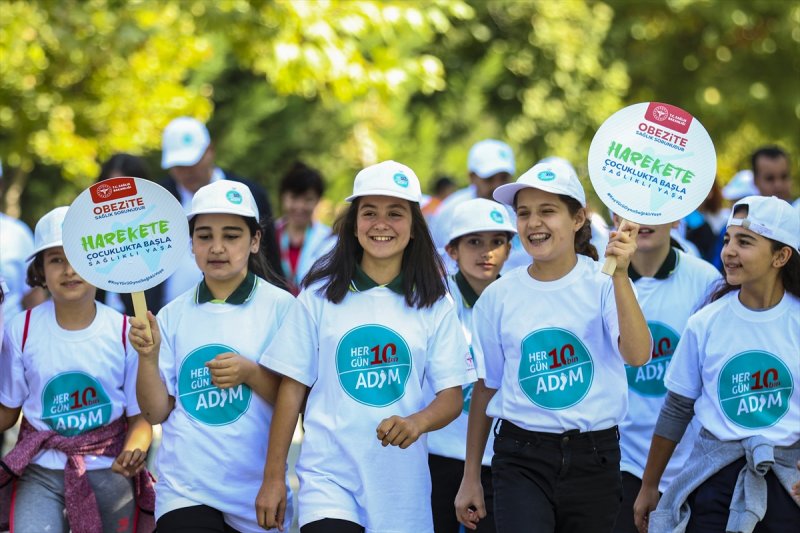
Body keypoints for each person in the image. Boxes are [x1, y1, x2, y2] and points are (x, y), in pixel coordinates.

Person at [256, 160, 476, 533]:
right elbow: (292, 389)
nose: (381, 224)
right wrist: (274, 478)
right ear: (354, 224)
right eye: (369, 212)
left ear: (413, 227)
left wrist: (417, 422)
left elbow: (452, 396)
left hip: (401, 488)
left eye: (395, 213)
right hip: (327, 478)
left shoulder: (435, 302)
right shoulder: (318, 297)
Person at [454, 159, 652, 533]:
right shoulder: (498, 297)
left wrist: (622, 275)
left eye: (548, 211)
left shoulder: (604, 283)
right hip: (520, 457)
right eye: (524, 213)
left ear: (578, 219)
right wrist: (471, 477)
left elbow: (638, 355)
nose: (534, 223)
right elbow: (487, 387)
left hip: (595, 458)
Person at [127, 180, 294, 533]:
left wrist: (251, 374)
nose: (217, 248)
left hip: (256, 492)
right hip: (185, 490)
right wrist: (148, 357)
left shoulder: (283, 308)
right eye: (204, 236)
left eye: (232, 236)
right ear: (191, 243)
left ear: (255, 240)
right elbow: (156, 412)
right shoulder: (171, 315)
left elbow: (297, 403)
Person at [633, 195, 800, 533]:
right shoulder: (706, 321)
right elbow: (677, 408)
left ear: (781, 256)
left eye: (745, 241)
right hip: (713, 483)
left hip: (787, 483)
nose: (729, 251)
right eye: (727, 240)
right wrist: (649, 485)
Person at [0, 206, 154, 533]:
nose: (69, 270)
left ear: (102, 262)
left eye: (80, 256)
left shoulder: (126, 332)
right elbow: (7, 413)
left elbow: (141, 417)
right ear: (39, 271)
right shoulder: (21, 330)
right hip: (39, 471)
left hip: (110, 469)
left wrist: (134, 449)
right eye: (56, 259)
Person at [611, 215, 721, 533]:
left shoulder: (705, 279)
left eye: (655, 211)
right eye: (631, 209)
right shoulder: (600, 277)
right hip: (620, 460)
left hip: (693, 462)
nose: (642, 220)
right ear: (615, 216)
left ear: (676, 217)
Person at [427, 198, 516, 533]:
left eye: (497, 242)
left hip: (501, 456)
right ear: (452, 250)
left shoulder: (521, 297)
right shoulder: (433, 299)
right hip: (439, 454)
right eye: (474, 242)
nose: (486, 252)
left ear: (509, 249)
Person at [156, 116, 285, 311]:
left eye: (192, 162)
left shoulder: (250, 193)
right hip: (166, 319)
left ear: (210, 151)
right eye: (178, 166)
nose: (186, 171)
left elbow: (271, 261)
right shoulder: (157, 201)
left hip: (246, 314)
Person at [430, 140, 528, 273]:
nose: (497, 185)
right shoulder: (450, 212)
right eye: (489, 179)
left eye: (503, 178)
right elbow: (436, 258)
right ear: (472, 177)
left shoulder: (522, 209)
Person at [94, 152, 155, 315]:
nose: (118, 203)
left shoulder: (160, 238)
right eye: (108, 192)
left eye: (124, 192)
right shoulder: (91, 240)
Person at [276, 161, 334, 295]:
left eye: (308, 199)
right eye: (294, 198)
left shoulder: (330, 240)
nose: (300, 206)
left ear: (318, 200)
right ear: (283, 197)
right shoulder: (267, 237)